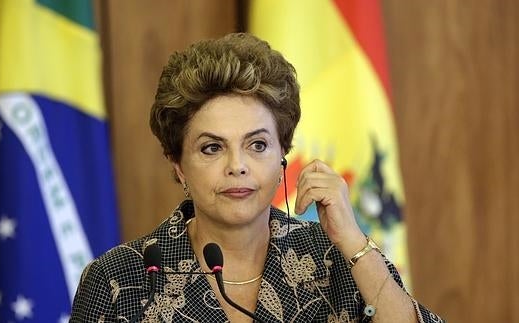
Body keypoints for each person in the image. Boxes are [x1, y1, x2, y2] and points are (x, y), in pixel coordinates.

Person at [70, 33, 443, 322]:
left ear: (283, 152)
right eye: (212, 148)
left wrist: (353, 241)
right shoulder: (119, 280)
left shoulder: (336, 262)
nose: (238, 165)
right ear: (178, 164)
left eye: (258, 145)